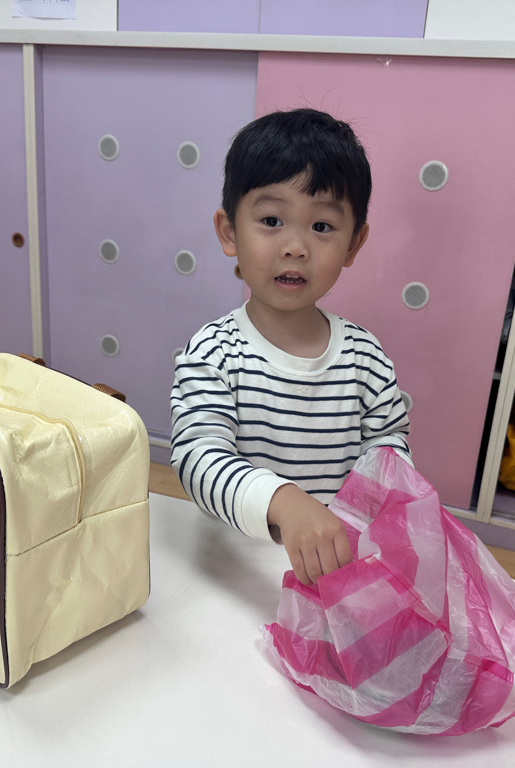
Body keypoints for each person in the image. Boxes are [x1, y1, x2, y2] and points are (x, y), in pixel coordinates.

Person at [170, 108, 411, 586]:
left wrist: (372, 520)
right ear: (229, 232)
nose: (296, 247)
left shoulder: (366, 358)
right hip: (234, 571)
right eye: (271, 220)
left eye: (322, 227)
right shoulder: (212, 354)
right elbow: (198, 458)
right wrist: (285, 503)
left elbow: (389, 452)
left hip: (335, 572)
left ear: (354, 244)